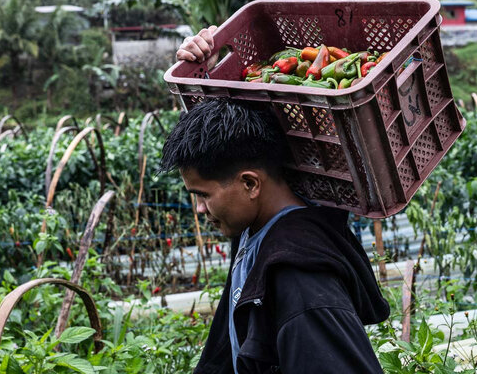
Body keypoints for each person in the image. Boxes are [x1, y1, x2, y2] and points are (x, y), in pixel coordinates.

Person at [158, 29, 391, 374]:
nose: (200, 210)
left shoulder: (301, 283)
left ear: (251, 184)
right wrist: (205, 76)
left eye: (203, 196)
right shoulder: (258, 228)